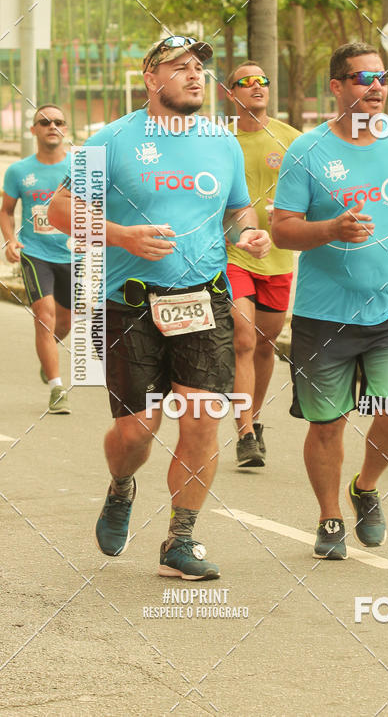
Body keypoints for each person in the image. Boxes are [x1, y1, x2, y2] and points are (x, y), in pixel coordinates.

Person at [48, 36, 270, 580]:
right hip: (129, 305)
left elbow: (238, 208)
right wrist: (122, 236)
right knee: (136, 433)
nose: (195, 76)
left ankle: (182, 536)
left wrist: (251, 233)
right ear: (151, 78)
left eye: (199, 68)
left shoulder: (221, 143)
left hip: (204, 297)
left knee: (201, 419)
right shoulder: (115, 140)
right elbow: (57, 210)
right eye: (180, 67)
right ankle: (122, 485)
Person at [271, 42, 388, 561]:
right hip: (324, 314)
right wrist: (330, 228)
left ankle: (365, 487)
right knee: (327, 424)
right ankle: (328, 516)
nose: (375, 87)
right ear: (337, 87)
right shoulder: (307, 150)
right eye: (362, 78)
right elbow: (282, 231)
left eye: (382, 78)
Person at [225, 61, 301, 468]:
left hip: (278, 257)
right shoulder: (221, 141)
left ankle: (255, 418)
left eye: (263, 81)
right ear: (230, 93)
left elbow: (315, 192)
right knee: (243, 337)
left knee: (266, 345)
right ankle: (244, 434)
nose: (256, 86)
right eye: (246, 82)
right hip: (235, 253)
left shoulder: (291, 138)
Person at [1, 104, 72, 414]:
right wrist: (11, 240)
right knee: (44, 316)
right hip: (35, 253)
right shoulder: (19, 171)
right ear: (34, 130)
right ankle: (57, 388)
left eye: (57, 122)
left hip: (72, 254)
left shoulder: (77, 169)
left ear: (65, 129)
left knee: (65, 320)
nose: (51, 126)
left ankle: (48, 358)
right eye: (44, 122)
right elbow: (5, 210)